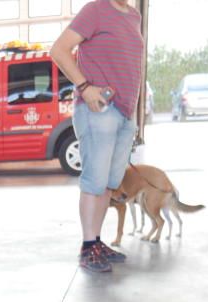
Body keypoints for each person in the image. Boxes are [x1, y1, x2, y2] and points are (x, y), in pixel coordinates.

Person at [51, 0, 144, 273]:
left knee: (108, 183)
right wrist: (85, 87)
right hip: (99, 109)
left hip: (125, 114)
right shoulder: (96, 9)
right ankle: (87, 247)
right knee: (94, 181)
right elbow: (59, 50)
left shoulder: (134, 16)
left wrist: (133, 115)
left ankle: (97, 242)